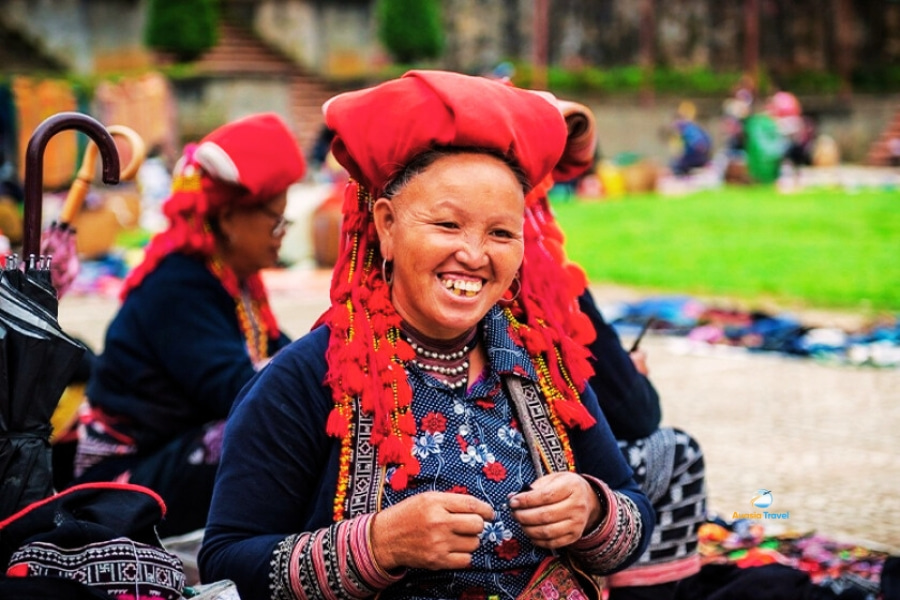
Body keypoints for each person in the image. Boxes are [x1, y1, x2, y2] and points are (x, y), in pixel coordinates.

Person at [199, 70, 654, 600]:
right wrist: (378, 544)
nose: (476, 255)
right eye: (447, 225)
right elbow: (226, 563)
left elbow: (633, 508)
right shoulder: (303, 379)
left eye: (502, 233)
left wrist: (593, 509)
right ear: (387, 224)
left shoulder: (542, 365)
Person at [72, 112, 306, 537]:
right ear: (230, 220)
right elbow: (240, 391)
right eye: (275, 220)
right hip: (120, 482)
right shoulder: (179, 285)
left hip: (170, 454)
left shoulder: (238, 282)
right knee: (253, 427)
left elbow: (290, 359)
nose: (281, 235)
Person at [522, 101, 707, 600]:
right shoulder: (538, 271)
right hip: (529, 482)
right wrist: (632, 377)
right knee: (676, 451)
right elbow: (637, 415)